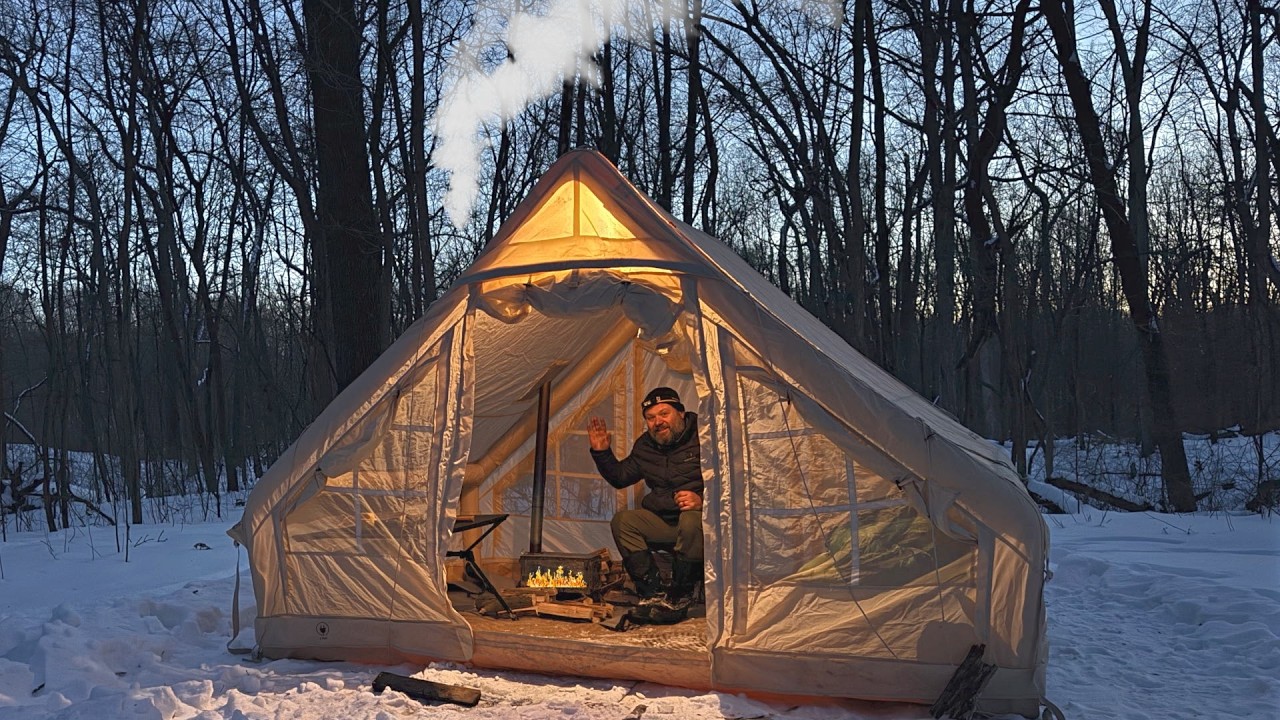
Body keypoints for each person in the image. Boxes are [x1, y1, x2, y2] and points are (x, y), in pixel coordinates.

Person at [588, 387, 703, 624]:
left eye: (664, 414)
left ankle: (679, 596)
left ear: (681, 413)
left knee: (691, 518)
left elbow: (732, 481)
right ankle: (652, 593)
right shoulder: (646, 446)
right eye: (651, 418)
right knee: (624, 521)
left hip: (703, 523)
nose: (658, 422)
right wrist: (602, 452)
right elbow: (621, 477)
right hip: (665, 521)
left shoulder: (706, 435)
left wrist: (703, 501)